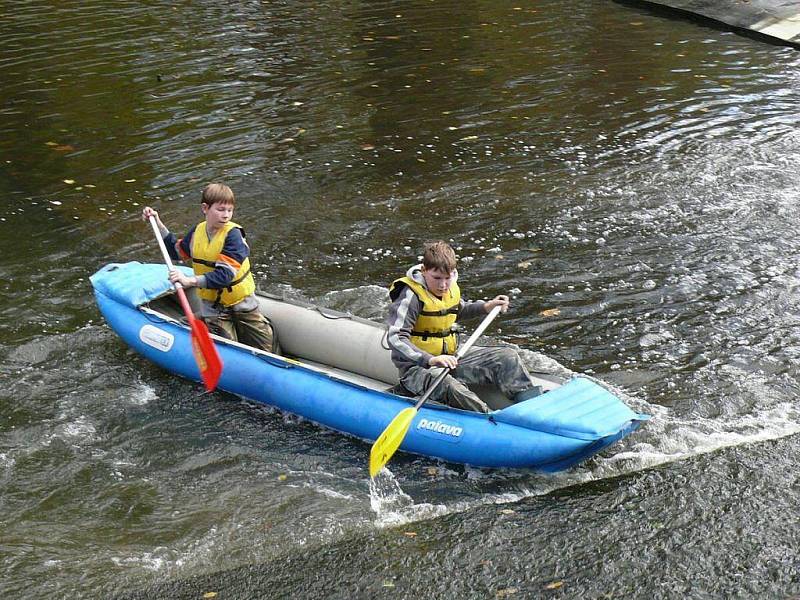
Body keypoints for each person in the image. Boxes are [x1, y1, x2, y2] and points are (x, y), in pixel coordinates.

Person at [386, 240, 540, 413]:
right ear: (424, 271)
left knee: (507, 356)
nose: (443, 285)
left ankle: (533, 409)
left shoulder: (449, 289)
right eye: (436, 278)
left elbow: (459, 310)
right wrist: (430, 359)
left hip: (451, 359)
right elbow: (395, 337)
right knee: (449, 385)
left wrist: (486, 307)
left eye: (447, 278)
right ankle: (488, 418)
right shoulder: (410, 296)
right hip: (418, 369)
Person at [142, 183, 278, 353]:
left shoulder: (234, 235)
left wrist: (189, 280)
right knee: (228, 346)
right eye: (221, 210)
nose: (226, 215)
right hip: (213, 307)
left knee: (265, 343)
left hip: (242, 303)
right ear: (205, 208)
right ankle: (200, 327)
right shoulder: (197, 232)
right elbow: (176, 252)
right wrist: (158, 224)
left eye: (230, 210)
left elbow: (224, 276)